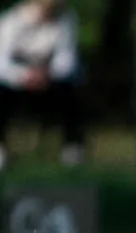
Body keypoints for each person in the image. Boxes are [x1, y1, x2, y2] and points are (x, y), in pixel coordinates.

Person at [0, 0, 83, 170]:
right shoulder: (12, 20)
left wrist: (47, 75)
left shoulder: (66, 19)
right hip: (17, 80)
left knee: (71, 91)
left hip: (50, 80)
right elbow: (2, 62)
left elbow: (67, 59)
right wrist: (24, 75)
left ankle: (72, 148)